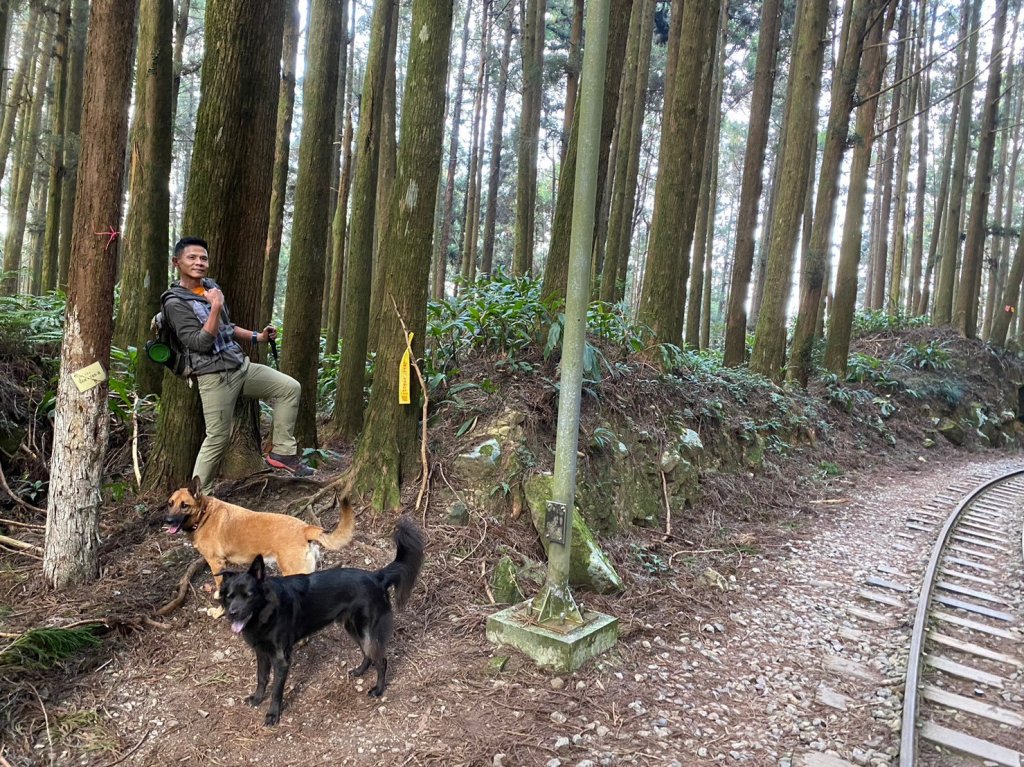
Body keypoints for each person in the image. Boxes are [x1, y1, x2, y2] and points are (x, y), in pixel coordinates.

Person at [163, 236, 313, 493]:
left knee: (289, 388)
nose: (199, 263)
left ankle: (283, 453)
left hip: (240, 366)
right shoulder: (175, 303)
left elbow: (226, 329)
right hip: (214, 377)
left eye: (203, 258)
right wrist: (215, 307)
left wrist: (259, 337)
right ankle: (197, 499)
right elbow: (200, 343)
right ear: (177, 262)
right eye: (192, 257)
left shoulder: (210, 287)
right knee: (217, 439)